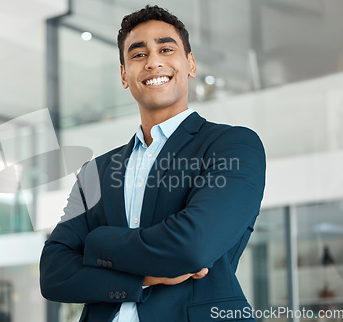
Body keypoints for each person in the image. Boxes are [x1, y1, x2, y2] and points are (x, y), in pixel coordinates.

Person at [40, 5, 265, 322]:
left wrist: (96, 242)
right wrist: (141, 279)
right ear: (123, 75)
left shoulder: (232, 145)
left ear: (190, 64)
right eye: (138, 54)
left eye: (166, 48)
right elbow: (54, 271)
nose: (153, 61)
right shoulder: (97, 171)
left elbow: (193, 247)